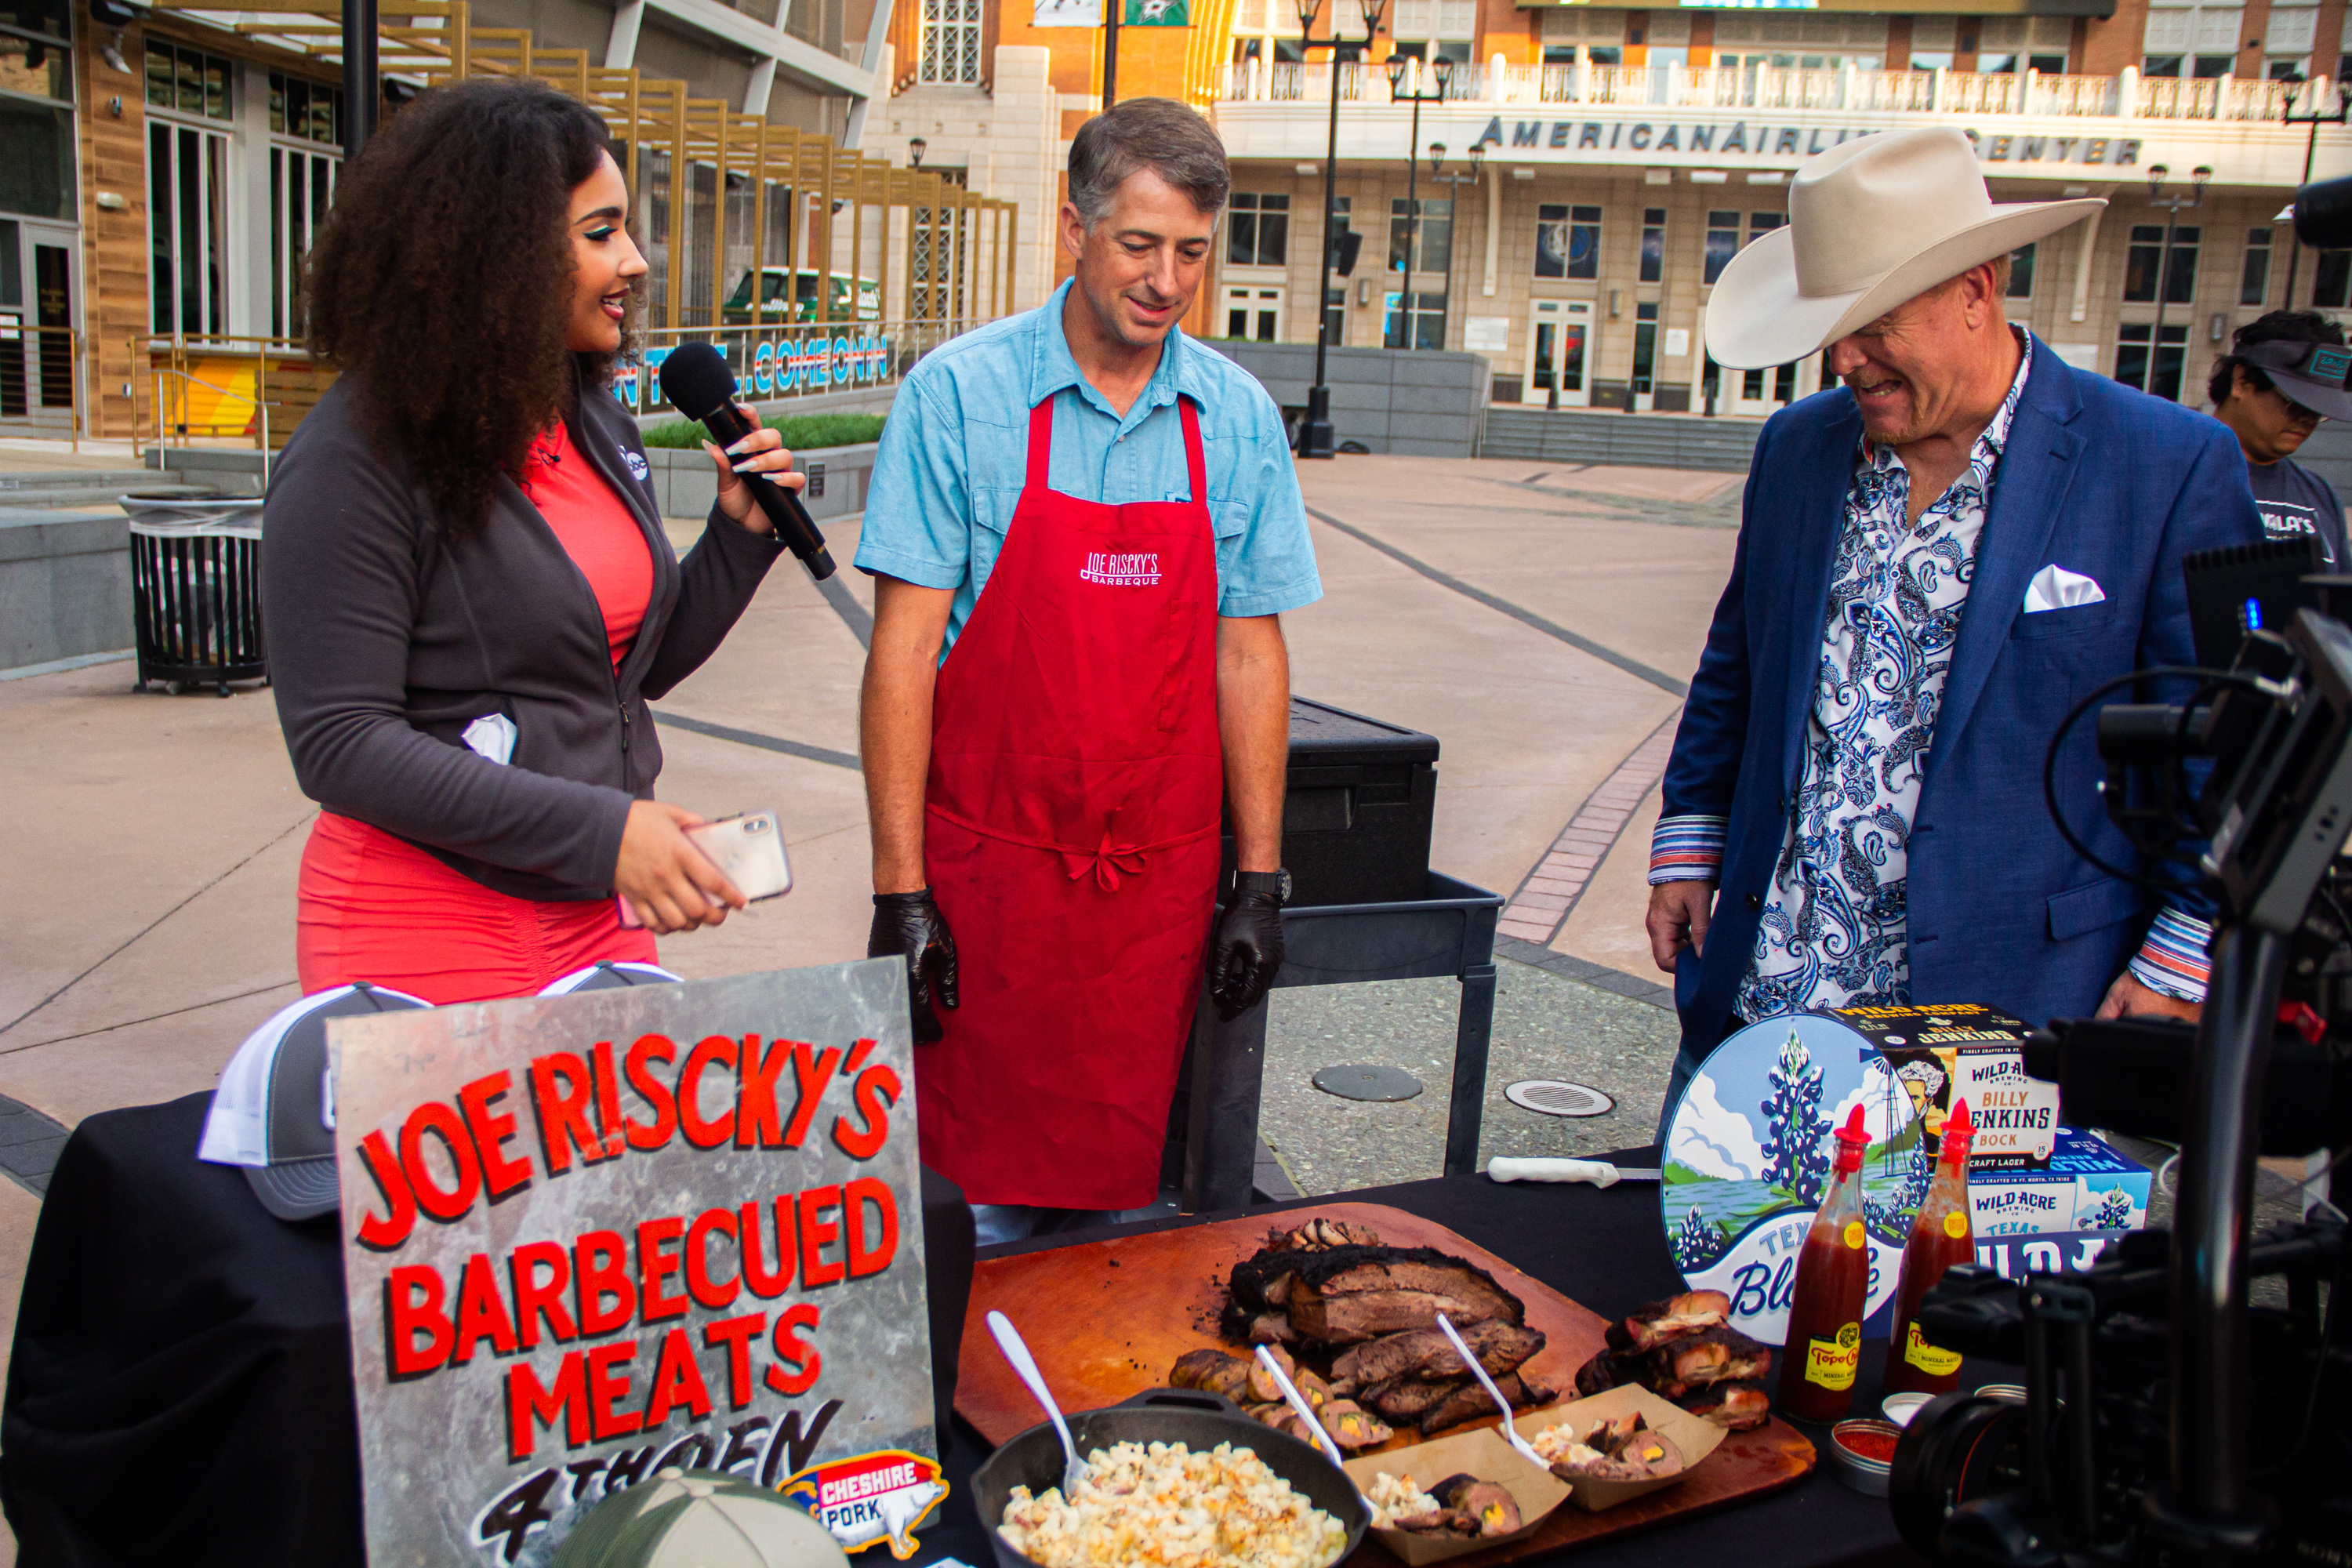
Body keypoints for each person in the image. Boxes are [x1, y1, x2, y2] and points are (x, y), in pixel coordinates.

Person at [1643, 128, 2263, 1114]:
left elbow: (2227, 754)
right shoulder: (1799, 450)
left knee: (1949, 1278)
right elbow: (1739, 664)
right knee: (1716, 1268)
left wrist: (2181, 959)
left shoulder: (2166, 464)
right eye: (1831, 328)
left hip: (2005, 1025)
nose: (1845, 358)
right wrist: (1690, 842)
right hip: (1768, 1002)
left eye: (1875, 323)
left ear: (1978, 288)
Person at [855, 98, 1320, 1243]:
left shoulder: (1238, 416)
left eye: (1194, 254)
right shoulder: (959, 399)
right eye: (1141, 246)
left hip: (1150, 900)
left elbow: (1249, 650)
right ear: (1074, 228)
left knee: (1120, 1234)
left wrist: (1259, 881)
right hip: (989, 882)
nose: (1167, 282)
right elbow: (905, 653)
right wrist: (900, 893)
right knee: (959, 1229)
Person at [263, 80, 805, 1004]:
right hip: (425, 932)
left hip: (597, 911)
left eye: (629, 229)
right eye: (600, 233)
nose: (635, 261)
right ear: (492, 255)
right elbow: (341, 742)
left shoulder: (593, 418)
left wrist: (737, 540)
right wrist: (605, 831)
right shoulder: (355, 456)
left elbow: (618, 677)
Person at [2206, 310, 2352, 568]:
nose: (2308, 418)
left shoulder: (2321, 496)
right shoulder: (2173, 476)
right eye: (2295, 401)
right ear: (2242, 381)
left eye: (2320, 410)